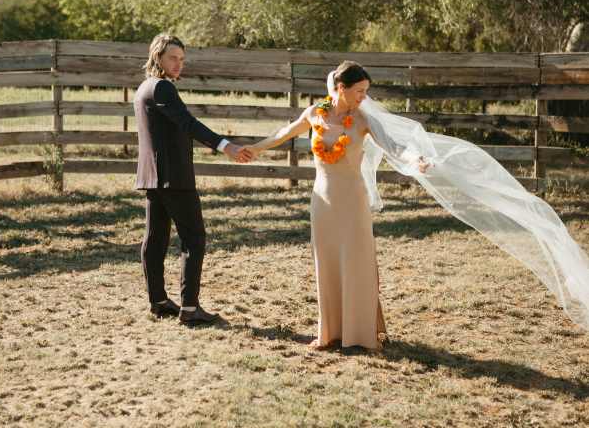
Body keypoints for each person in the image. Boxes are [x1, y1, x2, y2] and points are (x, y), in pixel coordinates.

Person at [243, 61, 429, 350]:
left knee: (357, 263)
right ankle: (329, 333)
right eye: (359, 91)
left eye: (366, 91)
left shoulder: (363, 119)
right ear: (340, 88)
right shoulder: (315, 114)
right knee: (327, 263)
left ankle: (361, 334)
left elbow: (394, 147)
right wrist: (255, 148)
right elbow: (284, 133)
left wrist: (414, 160)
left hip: (353, 201)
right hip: (323, 200)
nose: (364, 97)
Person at [134, 34, 252, 326]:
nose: (178, 64)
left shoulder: (144, 88)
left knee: (156, 238)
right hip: (174, 177)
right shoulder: (161, 88)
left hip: (153, 175)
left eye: (182, 59)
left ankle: (159, 301)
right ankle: (189, 309)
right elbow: (189, 124)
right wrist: (227, 146)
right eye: (173, 58)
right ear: (158, 56)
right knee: (194, 239)